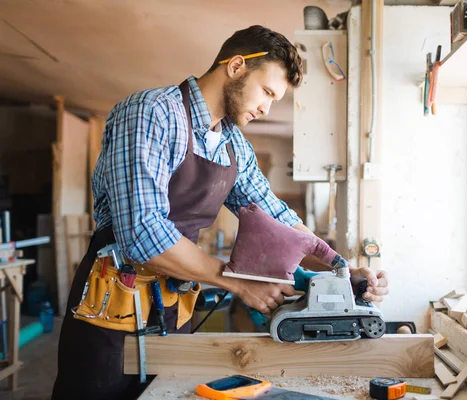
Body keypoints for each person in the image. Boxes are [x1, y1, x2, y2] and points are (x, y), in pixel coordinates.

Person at [52, 25, 389, 399]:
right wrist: (236, 281)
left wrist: (340, 269)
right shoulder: (151, 113)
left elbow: (276, 213)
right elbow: (143, 233)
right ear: (236, 66)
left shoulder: (233, 145)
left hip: (171, 305)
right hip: (112, 304)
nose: (266, 107)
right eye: (266, 92)